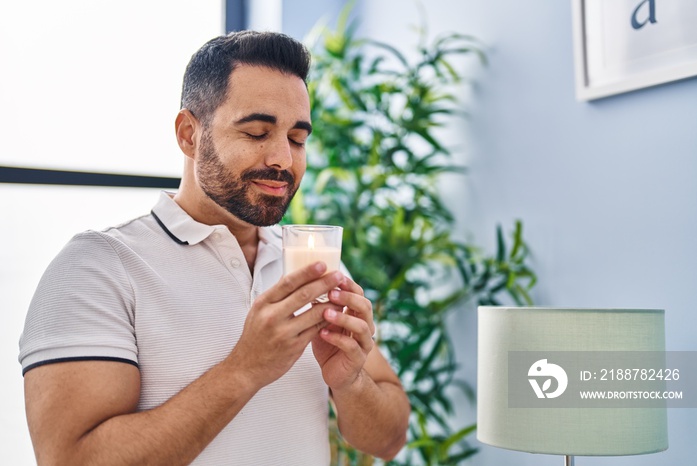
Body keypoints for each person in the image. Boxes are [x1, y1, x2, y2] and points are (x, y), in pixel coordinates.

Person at [18, 30, 410, 465]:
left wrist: (352, 382)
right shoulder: (98, 269)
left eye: (297, 138)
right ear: (189, 134)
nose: (283, 158)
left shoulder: (309, 262)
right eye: (258, 132)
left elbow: (389, 439)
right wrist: (245, 369)